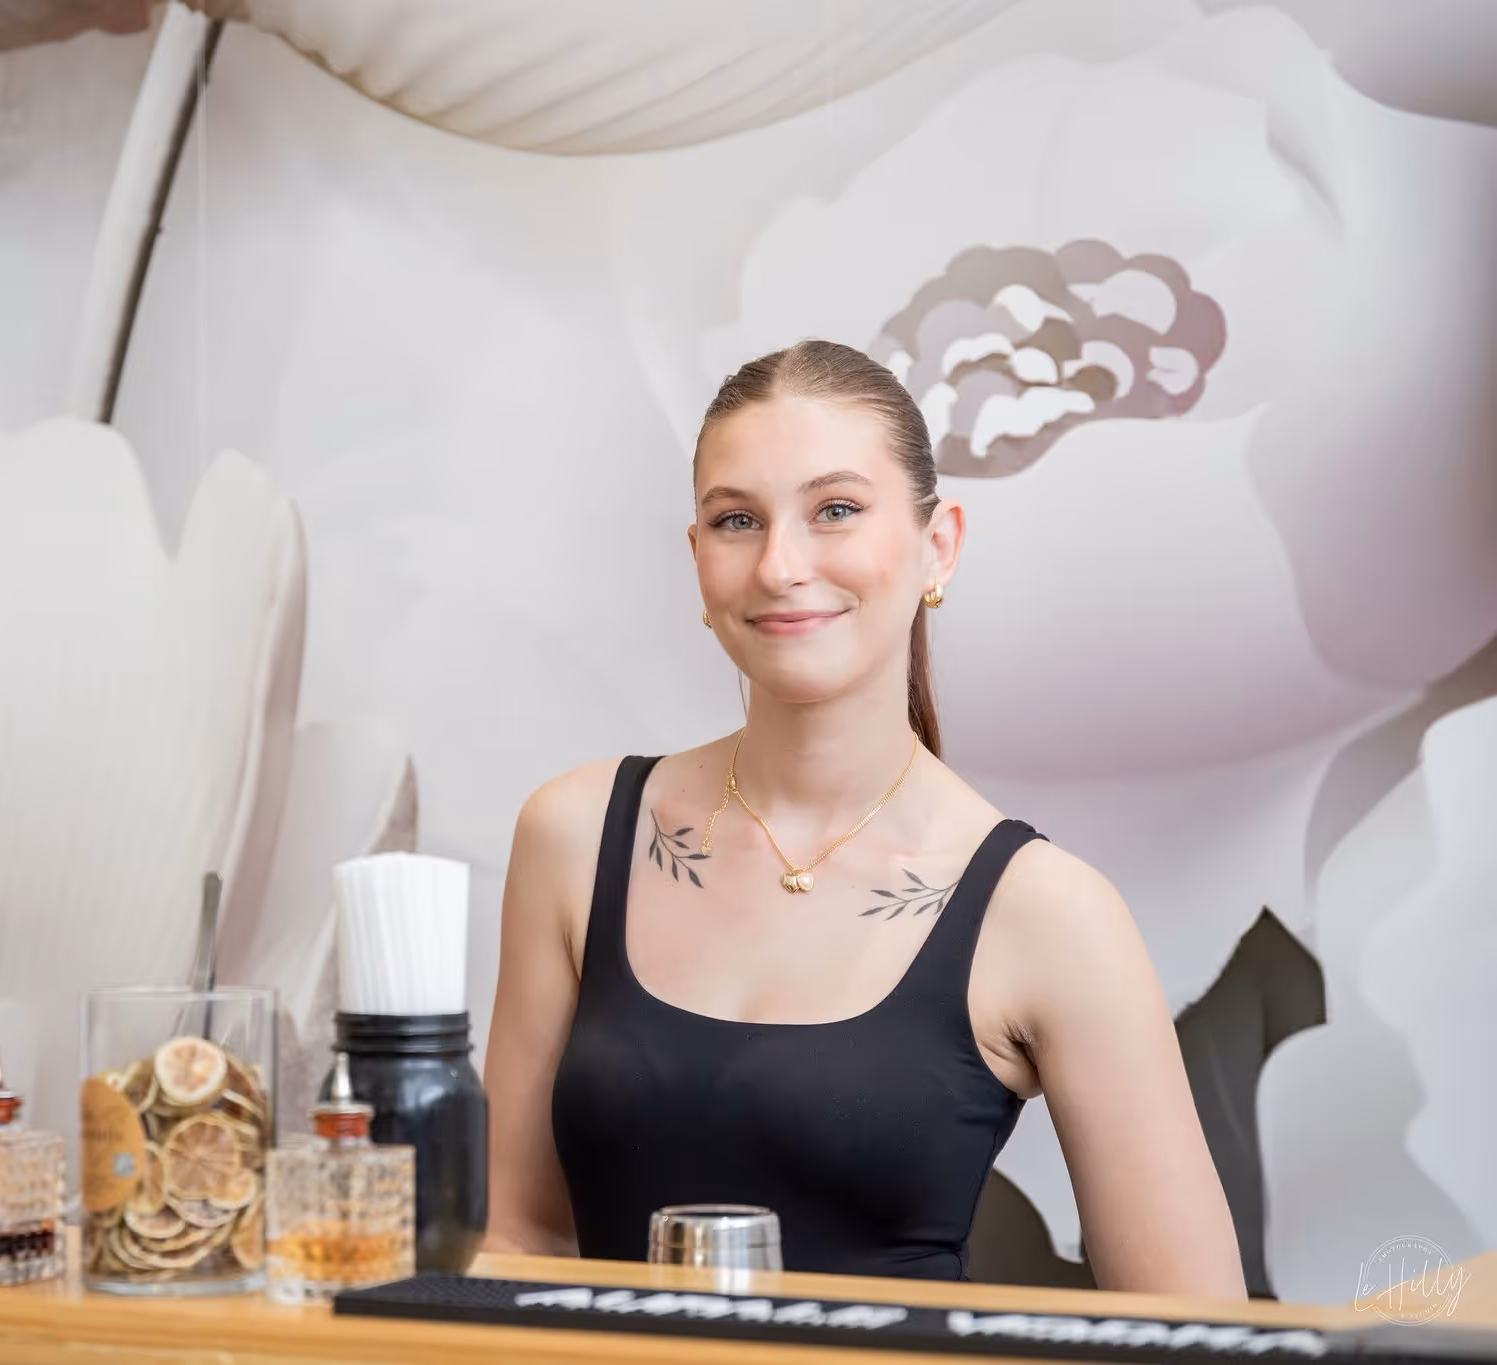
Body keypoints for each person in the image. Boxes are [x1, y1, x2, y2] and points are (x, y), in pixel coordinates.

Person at [482, 339, 1246, 1296]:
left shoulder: (1049, 913)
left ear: (939, 546)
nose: (780, 565)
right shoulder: (575, 833)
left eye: (835, 509)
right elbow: (517, 1243)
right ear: (697, 559)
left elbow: (1192, 1323)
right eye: (736, 520)